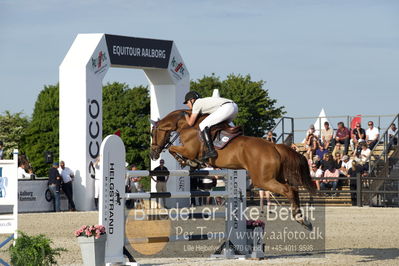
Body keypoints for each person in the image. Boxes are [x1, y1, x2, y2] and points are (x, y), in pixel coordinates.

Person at [183, 91, 238, 160]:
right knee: (231, 128)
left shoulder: (197, 103)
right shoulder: (204, 101)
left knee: (203, 125)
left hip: (226, 108)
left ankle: (211, 151)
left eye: (187, 102)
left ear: (192, 100)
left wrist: (185, 115)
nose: (187, 105)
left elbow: (191, 123)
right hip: (234, 107)